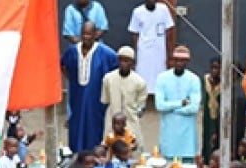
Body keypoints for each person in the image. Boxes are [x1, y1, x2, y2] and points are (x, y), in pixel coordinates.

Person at [62, 23, 118, 153]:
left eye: (89, 34)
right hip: (77, 97)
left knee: (94, 127)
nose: (86, 37)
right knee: (76, 125)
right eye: (84, 34)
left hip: (96, 100)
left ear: (95, 35)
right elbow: (63, 65)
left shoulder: (105, 53)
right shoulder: (72, 51)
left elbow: (116, 68)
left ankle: (94, 156)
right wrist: (72, 80)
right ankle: (76, 156)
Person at [155, 46, 201, 161]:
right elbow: (159, 105)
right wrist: (181, 103)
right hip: (169, 136)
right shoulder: (162, 78)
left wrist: (171, 109)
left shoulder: (194, 79)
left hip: (187, 138)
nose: (179, 63)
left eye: (182, 61)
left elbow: (194, 108)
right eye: (176, 60)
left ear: (187, 62)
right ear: (172, 60)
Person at [127, 0, 173, 96]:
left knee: (160, 75)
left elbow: (169, 31)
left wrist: (170, 55)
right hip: (144, 51)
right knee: (142, 76)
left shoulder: (163, 9)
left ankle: (159, 100)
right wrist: (135, 54)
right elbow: (134, 34)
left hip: (160, 50)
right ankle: (142, 102)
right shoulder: (137, 12)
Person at [101, 47, 147, 141]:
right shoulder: (108, 78)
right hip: (112, 120)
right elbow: (106, 99)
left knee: (133, 148)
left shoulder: (139, 82)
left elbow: (140, 104)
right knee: (109, 146)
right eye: (121, 60)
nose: (123, 64)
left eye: (127, 61)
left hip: (130, 121)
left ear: (133, 63)